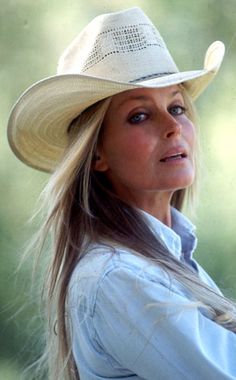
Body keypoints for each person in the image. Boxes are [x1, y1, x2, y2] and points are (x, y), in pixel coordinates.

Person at [7, 7, 236, 380]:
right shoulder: (115, 277)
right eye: (139, 116)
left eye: (176, 107)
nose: (173, 127)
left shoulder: (164, 256)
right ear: (96, 153)